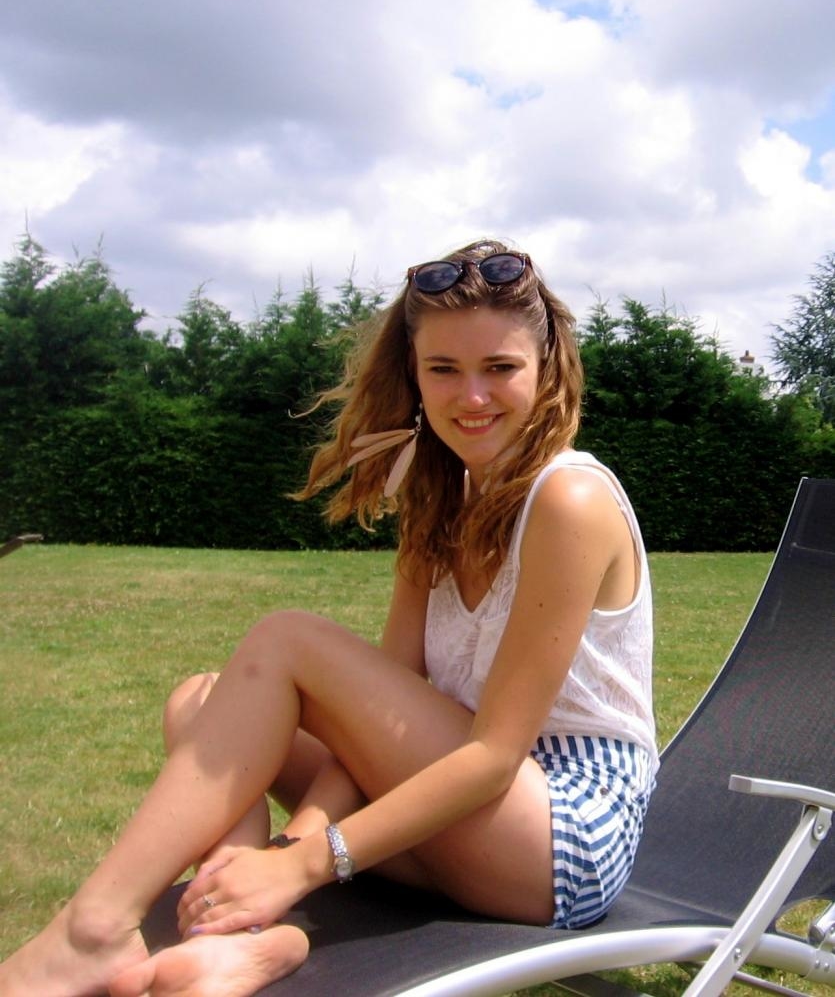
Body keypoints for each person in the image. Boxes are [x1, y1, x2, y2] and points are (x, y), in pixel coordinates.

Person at [0, 239, 658, 997]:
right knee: (200, 701)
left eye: (499, 367)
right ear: (413, 376)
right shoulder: (439, 504)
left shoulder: (569, 500)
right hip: (461, 810)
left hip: (562, 841)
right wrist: (289, 849)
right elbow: (365, 726)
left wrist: (302, 863)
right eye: (443, 369)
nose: (472, 396)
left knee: (288, 641)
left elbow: (492, 756)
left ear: (546, 369)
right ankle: (235, 941)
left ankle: (93, 932)